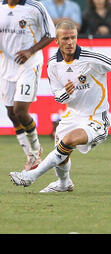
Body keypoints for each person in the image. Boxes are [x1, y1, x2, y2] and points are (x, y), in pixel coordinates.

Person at [9, 20, 111, 193]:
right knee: (62, 153)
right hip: (72, 116)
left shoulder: (92, 58)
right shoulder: (53, 64)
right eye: (65, 39)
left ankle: (30, 176)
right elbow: (58, 96)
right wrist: (66, 93)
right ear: (57, 40)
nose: (70, 42)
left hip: (96, 118)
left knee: (68, 141)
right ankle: (64, 184)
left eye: (73, 38)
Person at [0, 0, 56, 170]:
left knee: (20, 110)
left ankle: (35, 151)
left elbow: (50, 34)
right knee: (11, 112)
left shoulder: (35, 7)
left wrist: (30, 51)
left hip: (29, 65)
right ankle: (31, 154)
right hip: (6, 65)